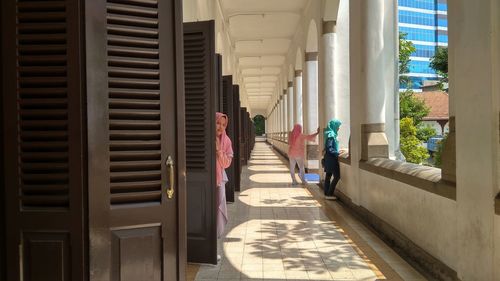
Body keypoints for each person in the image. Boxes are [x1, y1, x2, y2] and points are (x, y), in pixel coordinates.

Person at [215, 112, 233, 261]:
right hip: (205, 180)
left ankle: (213, 245)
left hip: (218, 180)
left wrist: (218, 151)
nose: (220, 127)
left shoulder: (226, 141)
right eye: (218, 123)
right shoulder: (207, 138)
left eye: (223, 124)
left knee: (216, 212)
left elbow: (226, 163)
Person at [323, 119, 342, 200]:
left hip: (329, 158)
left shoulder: (331, 134)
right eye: (338, 126)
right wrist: (337, 153)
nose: (338, 128)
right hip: (331, 159)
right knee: (336, 176)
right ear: (334, 126)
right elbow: (329, 148)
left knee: (328, 176)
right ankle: (329, 193)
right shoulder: (331, 135)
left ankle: (327, 193)